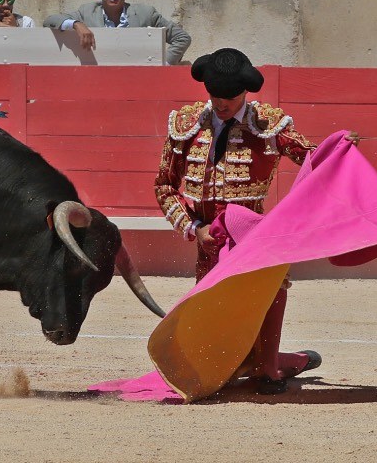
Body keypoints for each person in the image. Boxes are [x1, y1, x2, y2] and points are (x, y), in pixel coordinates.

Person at [153, 48, 359, 394]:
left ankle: (269, 367)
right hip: (209, 238)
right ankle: (286, 361)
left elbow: (312, 157)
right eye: (215, 96)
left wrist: (339, 147)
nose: (221, 104)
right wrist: (195, 228)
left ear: (245, 91)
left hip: (250, 232)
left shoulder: (267, 124)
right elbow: (164, 185)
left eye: (229, 97)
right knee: (215, 320)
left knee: (268, 290)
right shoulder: (187, 125)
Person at [43, 0, 191, 65]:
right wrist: (76, 24)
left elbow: (182, 38)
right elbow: (50, 20)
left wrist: (164, 64)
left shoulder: (145, 13)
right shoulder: (87, 12)